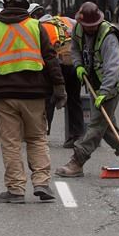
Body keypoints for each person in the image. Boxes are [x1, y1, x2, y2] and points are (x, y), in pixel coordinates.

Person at [0, 0, 66, 204]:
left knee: (11, 142)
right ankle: (42, 183)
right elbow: (51, 59)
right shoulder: (36, 27)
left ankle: (16, 190)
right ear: (26, 5)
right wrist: (59, 87)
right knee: (37, 138)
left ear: (5, 5)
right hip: (35, 94)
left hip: (5, 94)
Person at [56, 2, 119, 178]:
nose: (89, 29)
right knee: (105, 125)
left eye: (93, 26)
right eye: (87, 27)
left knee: (96, 123)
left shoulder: (109, 36)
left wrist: (105, 92)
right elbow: (75, 48)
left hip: (113, 82)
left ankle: (77, 161)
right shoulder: (77, 29)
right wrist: (78, 66)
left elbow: (112, 68)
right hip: (94, 80)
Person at [40, 11, 82, 148]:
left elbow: (42, 52)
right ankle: (76, 136)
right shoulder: (67, 20)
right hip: (74, 62)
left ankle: (43, 135)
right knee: (74, 100)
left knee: (49, 99)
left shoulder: (41, 26)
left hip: (57, 63)